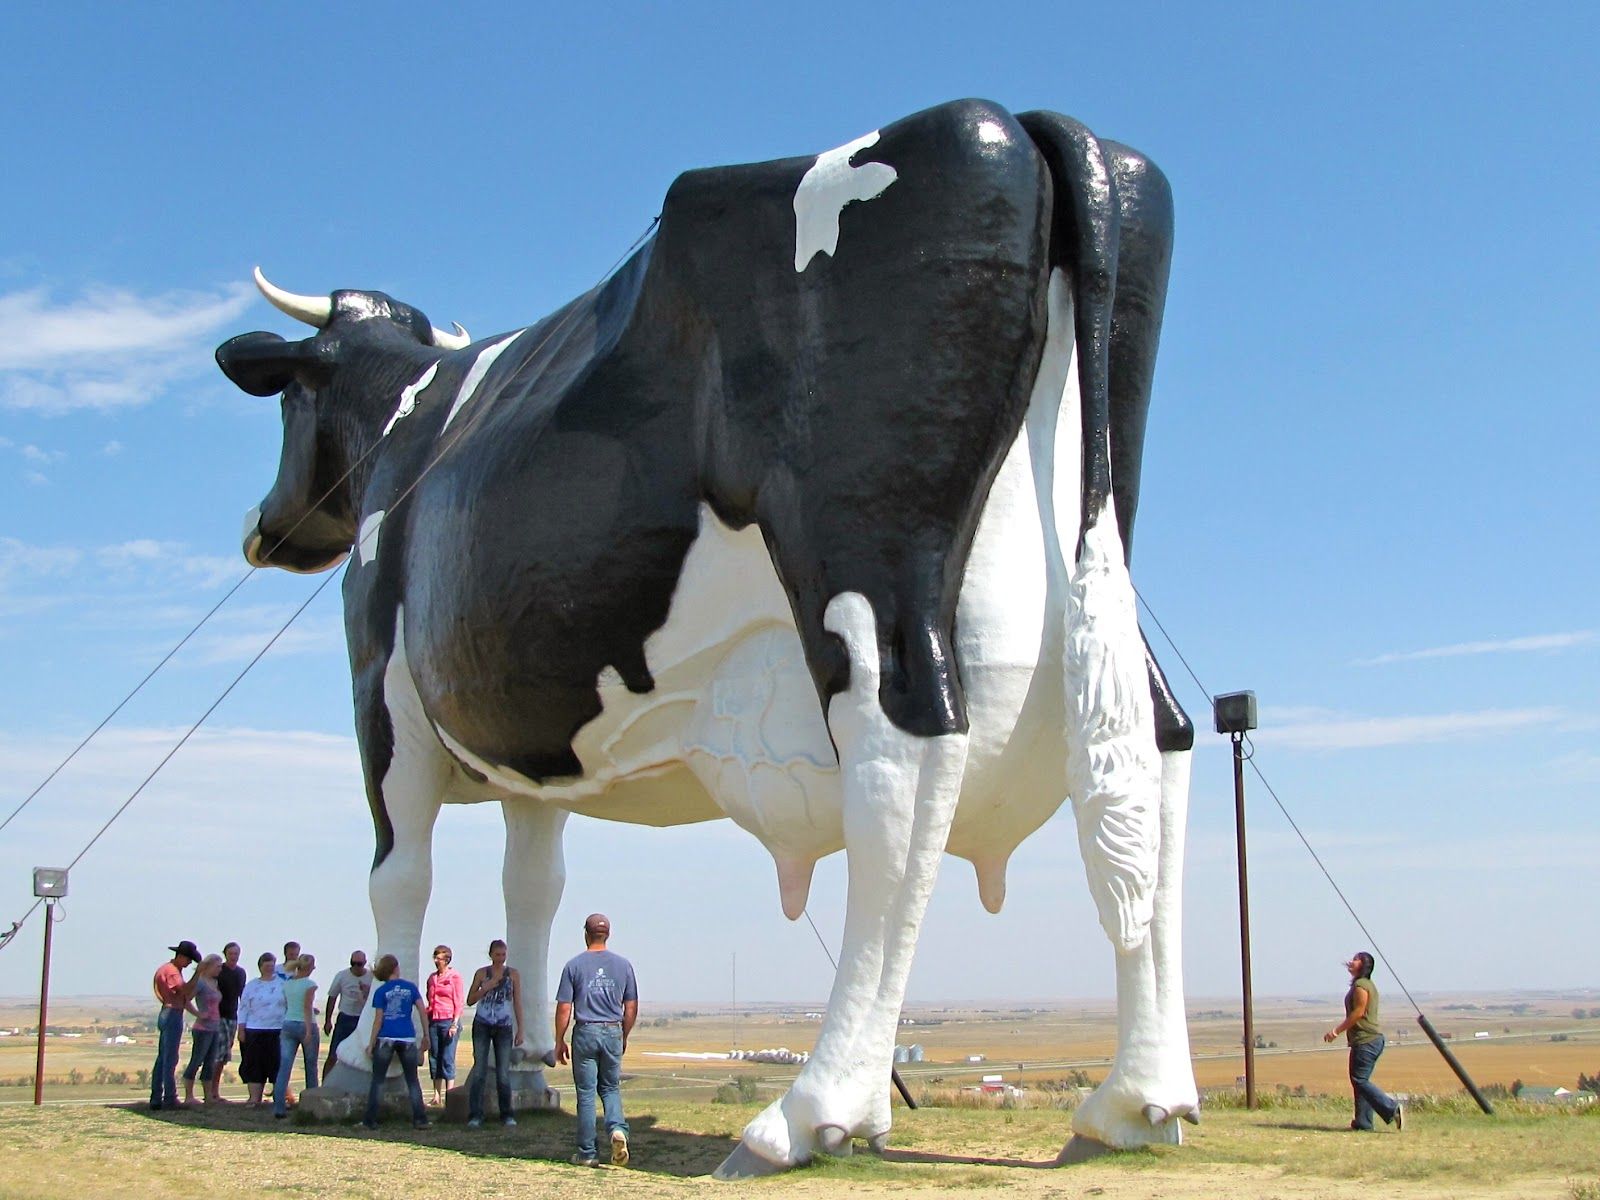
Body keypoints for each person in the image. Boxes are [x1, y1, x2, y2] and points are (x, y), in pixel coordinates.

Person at [555, 914, 637, 1167]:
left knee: (587, 1093)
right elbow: (631, 1006)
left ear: (586, 934)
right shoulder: (623, 966)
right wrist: (624, 1033)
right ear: (608, 935)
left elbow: (564, 1008)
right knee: (611, 1087)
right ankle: (616, 1129)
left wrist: (559, 1039)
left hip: (586, 1030)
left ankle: (587, 1152)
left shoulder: (574, 965)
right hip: (612, 1028)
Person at [1324, 951, 1403, 1132]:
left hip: (1366, 1040)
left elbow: (1358, 1012)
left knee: (1359, 1080)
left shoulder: (1361, 985)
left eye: (1357, 959)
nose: (1352, 961)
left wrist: (1336, 1031)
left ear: (1364, 965)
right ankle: (1363, 1122)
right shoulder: (1365, 984)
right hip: (1369, 1040)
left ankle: (1392, 1109)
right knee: (1361, 1080)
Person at [363, 953, 431, 1130]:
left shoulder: (381, 991)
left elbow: (378, 1019)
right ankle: (420, 1118)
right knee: (412, 1080)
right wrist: (426, 1035)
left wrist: (371, 1044)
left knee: (378, 1080)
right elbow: (422, 1011)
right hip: (407, 1037)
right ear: (395, 968)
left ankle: (370, 1119)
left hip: (386, 1037)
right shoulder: (410, 988)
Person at [465, 939, 524, 1129]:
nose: (500, 958)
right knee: (480, 1070)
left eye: (503, 955)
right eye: (497, 955)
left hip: (503, 1025)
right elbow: (470, 1000)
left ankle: (506, 1114)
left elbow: (517, 1002)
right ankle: (475, 1114)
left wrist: (520, 1029)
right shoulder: (482, 973)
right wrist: (485, 987)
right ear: (491, 955)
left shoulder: (513, 974)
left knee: (503, 1073)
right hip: (482, 1024)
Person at [150, 939, 201, 1111]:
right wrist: (198, 974)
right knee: (170, 1058)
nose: (188, 963)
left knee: (163, 1057)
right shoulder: (172, 972)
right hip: (172, 1013)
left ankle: (156, 1096)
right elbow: (184, 991)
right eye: (188, 959)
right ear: (181, 956)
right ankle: (169, 1097)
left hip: (168, 1011)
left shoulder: (167, 970)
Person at [237, 951, 286, 1107]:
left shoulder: (282, 983)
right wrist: (241, 1029)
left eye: (272, 965)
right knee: (254, 1065)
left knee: (276, 1064)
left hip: (277, 1029)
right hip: (254, 1029)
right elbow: (243, 1008)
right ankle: (254, 1098)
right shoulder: (251, 985)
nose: (269, 968)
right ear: (260, 967)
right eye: (266, 966)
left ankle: (279, 1098)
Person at [274, 954, 320, 1118]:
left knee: (285, 1066)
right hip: (305, 1024)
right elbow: (307, 1007)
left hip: (288, 1023)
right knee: (311, 1066)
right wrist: (308, 1030)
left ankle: (278, 1107)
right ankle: (312, 1107)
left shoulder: (288, 983)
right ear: (310, 967)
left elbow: (290, 1004)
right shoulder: (310, 984)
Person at [182, 954, 226, 1107]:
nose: (220, 969)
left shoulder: (214, 982)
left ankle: (208, 1096)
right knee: (197, 1060)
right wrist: (198, 1013)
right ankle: (189, 1095)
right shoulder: (200, 983)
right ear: (208, 967)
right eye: (218, 966)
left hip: (215, 1027)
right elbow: (186, 999)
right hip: (203, 1028)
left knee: (210, 1063)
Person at [323, 949, 373, 1078]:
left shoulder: (371, 977)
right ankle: (325, 1083)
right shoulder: (342, 975)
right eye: (354, 963)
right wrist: (328, 1020)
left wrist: (366, 992)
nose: (356, 967)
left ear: (365, 963)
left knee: (363, 1054)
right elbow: (332, 997)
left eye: (360, 964)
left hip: (362, 1019)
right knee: (333, 1054)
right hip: (345, 1017)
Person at [425, 944, 465, 1106]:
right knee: (434, 1056)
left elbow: (459, 1000)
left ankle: (450, 1094)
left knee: (448, 1057)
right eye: (435, 957)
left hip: (448, 1020)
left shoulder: (454, 977)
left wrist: (455, 1022)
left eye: (439, 958)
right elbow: (429, 997)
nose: (436, 961)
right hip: (434, 1019)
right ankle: (436, 1095)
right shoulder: (432, 978)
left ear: (447, 960)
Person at [215, 942, 247, 1097]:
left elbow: (243, 996)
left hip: (232, 1016)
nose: (234, 956)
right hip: (218, 1016)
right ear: (225, 954)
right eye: (231, 953)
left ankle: (215, 1090)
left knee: (225, 1053)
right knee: (218, 1053)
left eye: (236, 953)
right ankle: (212, 1090)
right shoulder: (219, 970)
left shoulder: (241, 973)